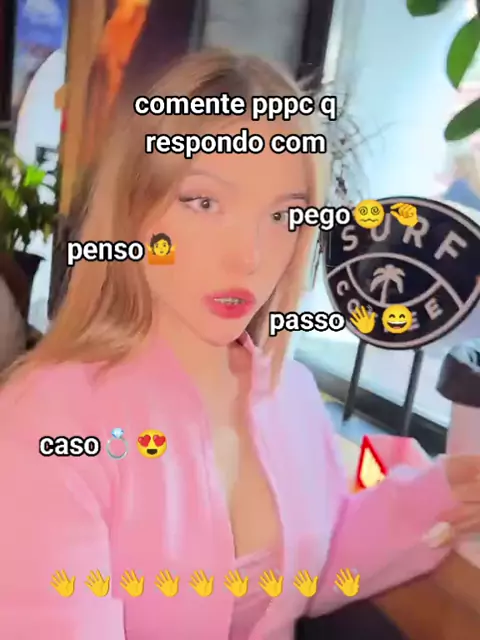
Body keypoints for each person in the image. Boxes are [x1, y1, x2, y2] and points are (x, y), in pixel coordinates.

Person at [0, 49, 479, 640]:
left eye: (283, 216)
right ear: (133, 210)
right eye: (204, 203)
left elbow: (307, 568)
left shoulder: (287, 391)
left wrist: (441, 495)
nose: (249, 257)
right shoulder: (48, 422)